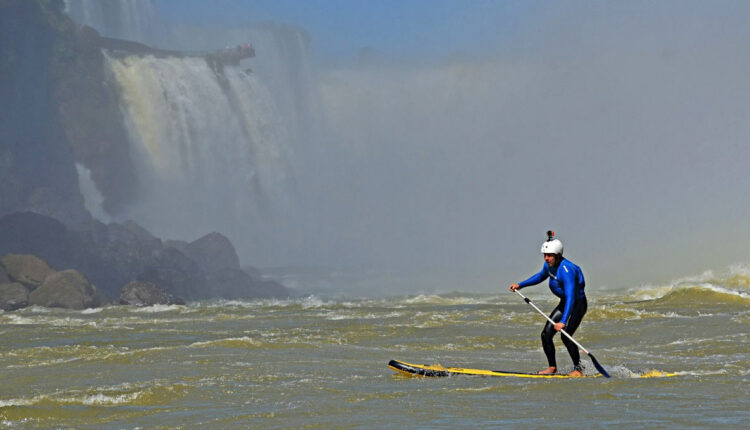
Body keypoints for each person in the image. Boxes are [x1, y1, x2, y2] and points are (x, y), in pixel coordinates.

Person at [509, 231, 587, 377]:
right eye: (545, 255)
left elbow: (571, 297)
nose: (546, 258)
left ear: (558, 255)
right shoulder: (549, 266)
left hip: (577, 304)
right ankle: (552, 368)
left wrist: (563, 321)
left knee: (566, 335)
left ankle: (579, 370)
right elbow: (540, 276)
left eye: (549, 255)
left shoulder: (567, 270)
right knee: (546, 334)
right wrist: (520, 285)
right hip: (565, 303)